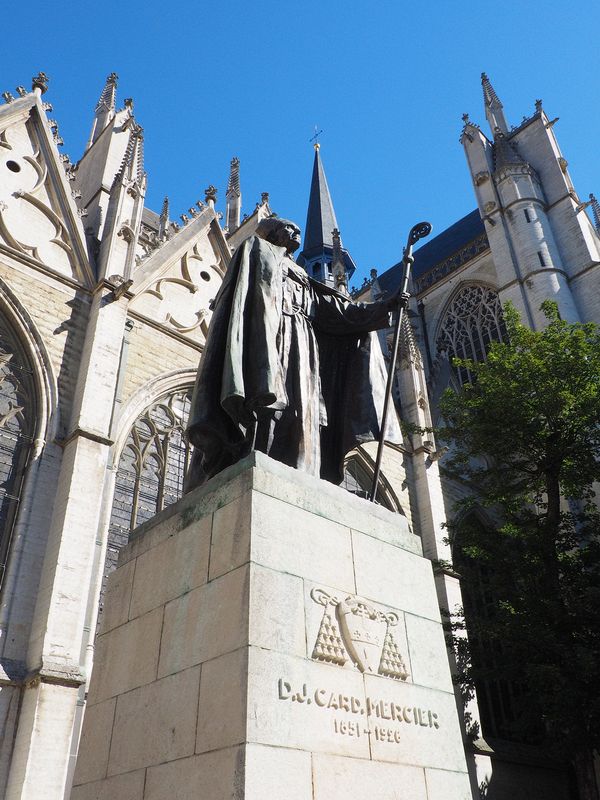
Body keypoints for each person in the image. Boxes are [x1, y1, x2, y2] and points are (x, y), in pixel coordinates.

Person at [185, 217, 402, 490]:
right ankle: (253, 455)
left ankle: (300, 470)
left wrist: (386, 307)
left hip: (303, 344)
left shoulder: (304, 278)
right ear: (272, 232)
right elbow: (241, 299)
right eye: (288, 227)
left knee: (303, 411)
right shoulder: (256, 251)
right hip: (268, 336)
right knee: (266, 400)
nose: (295, 230)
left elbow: (338, 313)